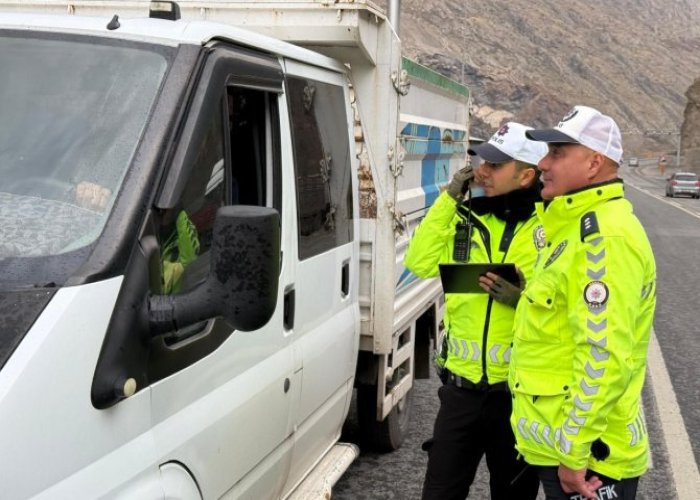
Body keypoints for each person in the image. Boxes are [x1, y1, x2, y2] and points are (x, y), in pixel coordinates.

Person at [508, 105, 657, 500]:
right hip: (564, 446)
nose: (542, 163)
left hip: (589, 458)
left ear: (593, 164)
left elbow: (602, 354)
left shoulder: (604, 238)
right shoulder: (569, 228)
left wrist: (575, 451)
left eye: (556, 153)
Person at [405, 122, 547, 500]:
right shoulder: (462, 216)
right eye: (481, 159)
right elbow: (418, 263)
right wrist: (448, 200)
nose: (481, 169)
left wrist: (524, 299)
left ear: (526, 175)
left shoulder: (549, 229)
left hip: (518, 398)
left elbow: (566, 307)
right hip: (460, 396)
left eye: (495, 164)